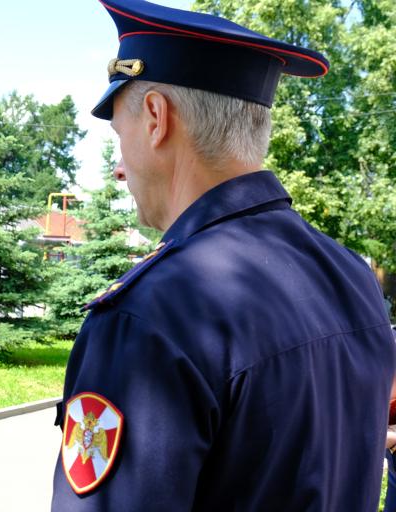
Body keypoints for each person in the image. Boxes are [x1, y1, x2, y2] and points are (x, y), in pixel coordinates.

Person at [51, 1, 396, 510]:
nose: (119, 170)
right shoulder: (351, 276)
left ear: (155, 118)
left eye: (119, 139)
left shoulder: (150, 317)